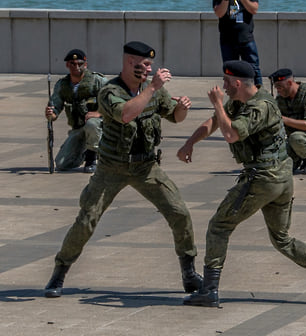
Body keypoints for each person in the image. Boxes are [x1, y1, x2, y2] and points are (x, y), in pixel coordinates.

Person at [176, 60, 306, 307]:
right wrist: (190, 142)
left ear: (237, 83)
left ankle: (209, 290)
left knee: (219, 226)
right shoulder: (240, 101)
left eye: (227, 83)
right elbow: (215, 122)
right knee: (282, 239)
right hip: (280, 177)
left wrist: (217, 103)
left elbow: (231, 134)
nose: (223, 87)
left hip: (264, 178)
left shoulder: (259, 107)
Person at [43, 41, 202, 298]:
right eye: (144, 65)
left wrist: (182, 108)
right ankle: (59, 272)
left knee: (179, 213)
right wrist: (152, 87)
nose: (149, 69)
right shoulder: (110, 91)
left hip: (146, 166)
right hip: (111, 167)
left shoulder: (152, 90)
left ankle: (189, 273)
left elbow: (174, 116)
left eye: (150, 65)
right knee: (87, 219)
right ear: (130, 63)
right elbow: (126, 114)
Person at [45, 48, 106, 173]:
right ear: (67, 65)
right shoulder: (63, 85)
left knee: (92, 123)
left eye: (80, 64)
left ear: (85, 64)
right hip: (78, 128)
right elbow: (55, 107)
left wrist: (100, 113)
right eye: (73, 64)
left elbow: (115, 103)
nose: (76, 67)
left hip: (99, 127)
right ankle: (85, 152)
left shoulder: (98, 81)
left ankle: (92, 159)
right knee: (62, 164)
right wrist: (51, 114)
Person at [268, 68, 306, 176]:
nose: (278, 90)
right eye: (276, 87)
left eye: (280, 87)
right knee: (277, 164)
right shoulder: (281, 98)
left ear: (289, 83)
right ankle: (296, 159)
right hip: (294, 137)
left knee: (296, 138)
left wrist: (283, 119)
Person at [212, 0, 262, 87]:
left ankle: (258, 91)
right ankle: (234, 96)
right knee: (230, 70)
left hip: (246, 39)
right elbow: (219, 13)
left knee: (253, 67)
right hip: (227, 40)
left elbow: (254, 9)